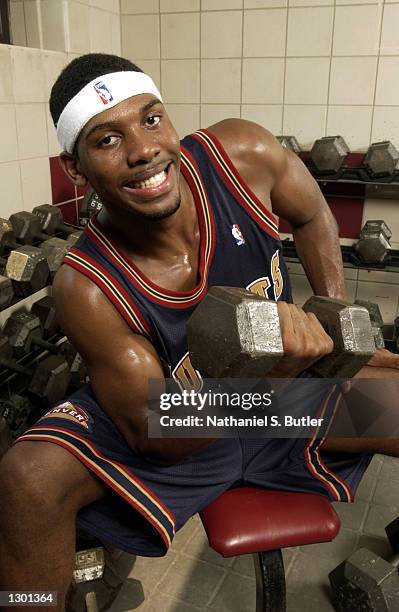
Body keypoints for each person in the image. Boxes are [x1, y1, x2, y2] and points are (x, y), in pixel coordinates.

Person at [0, 53, 398, 611]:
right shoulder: (84, 286)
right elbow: (155, 431)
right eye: (108, 140)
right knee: (29, 478)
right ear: (75, 168)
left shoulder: (242, 156)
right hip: (183, 430)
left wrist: (330, 306)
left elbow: (313, 217)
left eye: (152, 119)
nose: (143, 150)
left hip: (288, 408)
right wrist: (275, 374)